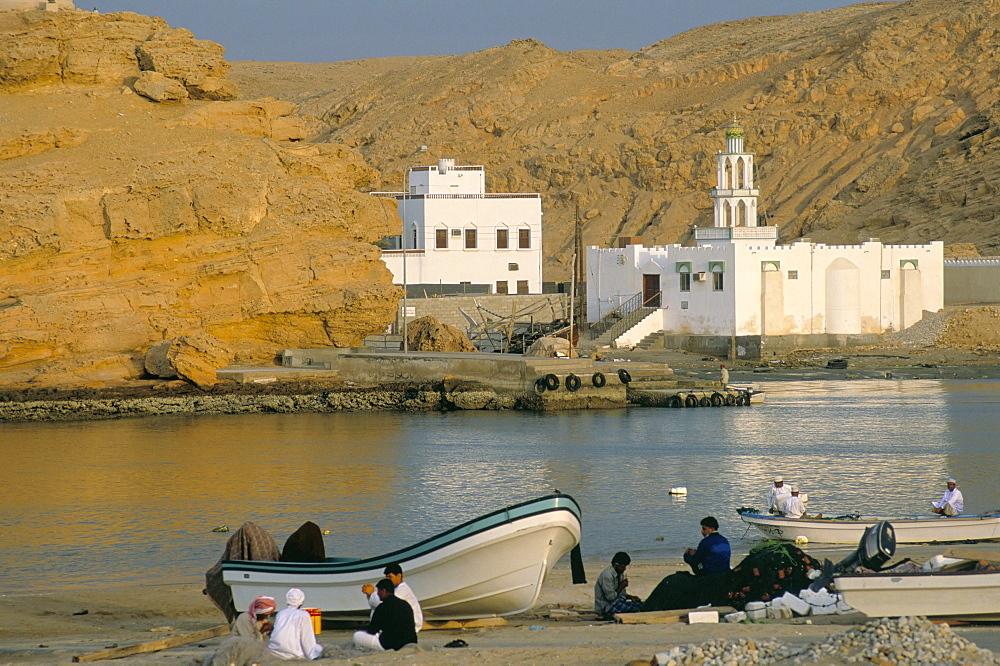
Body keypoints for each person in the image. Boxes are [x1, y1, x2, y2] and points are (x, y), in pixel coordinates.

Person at [353, 579, 418, 652]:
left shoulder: (382, 607)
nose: (377, 594)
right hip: (410, 641)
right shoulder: (405, 604)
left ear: (383, 591)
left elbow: (372, 630)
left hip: (389, 644)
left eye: (378, 591)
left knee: (357, 636)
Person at [362, 563, 422, 633]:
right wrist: (370, 595)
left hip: (409, 626)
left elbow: (383, 604)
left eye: (390, 577)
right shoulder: (393, 589)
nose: (388, 580)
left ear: (399, 576)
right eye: (386, 577)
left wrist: (371, 593)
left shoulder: (403, 590)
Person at [268, 588, 323, 660]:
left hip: (273, 651)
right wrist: (313, 655)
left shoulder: (280, 613)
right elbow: (307, 638)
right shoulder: (303, 615)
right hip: (292, 654)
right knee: (319, 648)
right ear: (301, 601)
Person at [594, 551, 642, 619]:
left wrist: (630, 597)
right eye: (623, 566)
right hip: (607, 608)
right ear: (615, 565)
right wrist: (622, 586)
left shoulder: (619, 573)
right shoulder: (607, 575)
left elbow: (621, 594)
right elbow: (610, 597)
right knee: (638, 608)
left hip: (617, 602)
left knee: (641, 604)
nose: (625, 569)